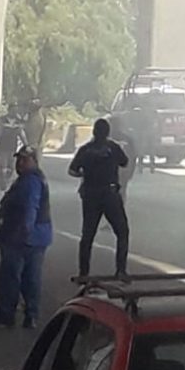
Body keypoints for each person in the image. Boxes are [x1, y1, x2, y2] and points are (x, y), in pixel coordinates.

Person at [0, 146, 52, 329]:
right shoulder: (34, 179)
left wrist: (24, 231)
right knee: (31, 277)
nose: (20, 163)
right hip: (37, 237)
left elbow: (31, 206)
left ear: (34, 161)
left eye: (25, 159)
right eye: (19, 159)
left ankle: (6, 314)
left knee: (10, 276)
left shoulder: (30, 181)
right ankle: (31, 315)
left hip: (21, 237)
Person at [68, 118, 130, 278]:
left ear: (93, 132)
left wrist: (85, 174)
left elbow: (72, 170)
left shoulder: (85, 149)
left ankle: (84, 272)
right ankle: (121, 270)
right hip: (110, 194)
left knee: (87, 235)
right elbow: (125, 162)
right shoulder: (113, 147)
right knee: (122, 232)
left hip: (90, 195)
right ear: (108, 132)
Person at [0, 103, 27, 190]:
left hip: (13, 146)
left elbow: (21, 133)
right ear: (9, 110)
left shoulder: (18, 121)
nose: (15, 111)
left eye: (16, 110)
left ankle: (6, 179)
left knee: (11, 165)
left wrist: (26, 144)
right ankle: (3, 181)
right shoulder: (2, 120)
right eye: (13, 110)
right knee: (4, 163)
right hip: (2, 145)